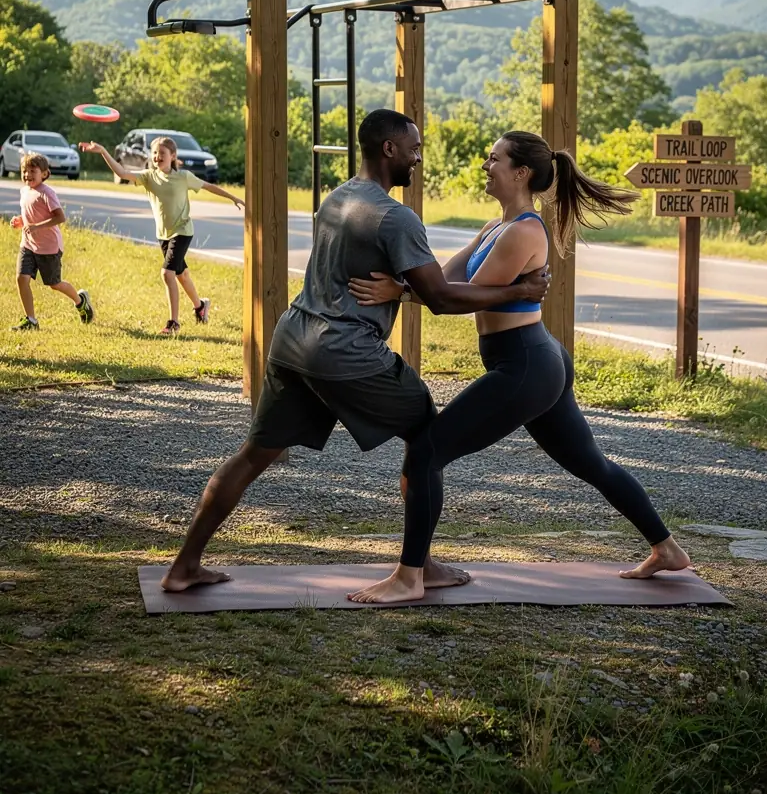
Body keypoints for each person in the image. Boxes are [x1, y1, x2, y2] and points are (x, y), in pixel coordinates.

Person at [160, 109, 550, 593]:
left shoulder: (338, 198)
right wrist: (520, 291)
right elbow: (442, 298)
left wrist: (404, 289)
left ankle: (184, 567)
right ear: (389, 150)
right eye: (413, 149)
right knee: (426, 435)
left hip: (293, 341)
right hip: (344, 350)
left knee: (254, 454)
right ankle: (420, 567)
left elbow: (422, 285)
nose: (418, 158)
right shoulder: (396, 217)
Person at [346, 130, 691, 603]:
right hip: (535, 360)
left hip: (525, 365)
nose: (486, 166)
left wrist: (400, 293)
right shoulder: (496, 226)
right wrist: (408, 285)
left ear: (520, 172)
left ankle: (410, 576)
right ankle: (666, 549)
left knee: (426, 452)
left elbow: (461, 299)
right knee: (591, 464)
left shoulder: (525, 231)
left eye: (494, 159)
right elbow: (446, 279)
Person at [80, 136, 244, 335]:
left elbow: (209, 186)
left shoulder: (183, 177)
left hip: (182, 230)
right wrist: (103, 151)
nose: (157, 156)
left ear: (173, 156)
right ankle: (201, 306)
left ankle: (173, 323)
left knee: (167, 273)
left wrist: (233, 197)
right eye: (155, 153)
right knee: (182, 275)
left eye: (162, 153)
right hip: (163, 235)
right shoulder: (149, 176)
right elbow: (121, 172)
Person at [10, 152, 94, 331]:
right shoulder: (24, 191)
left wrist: (36, 226)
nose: (28, 175)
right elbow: (30, 214)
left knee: (54, 284)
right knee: (21, 278)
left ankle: (81, 302)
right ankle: (31, 320)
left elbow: (60, 217)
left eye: (33, 171)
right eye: (25, 170)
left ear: (45, 174)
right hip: (28, 245)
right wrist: (21, 221)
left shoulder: (47, 193)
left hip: (49, 248)